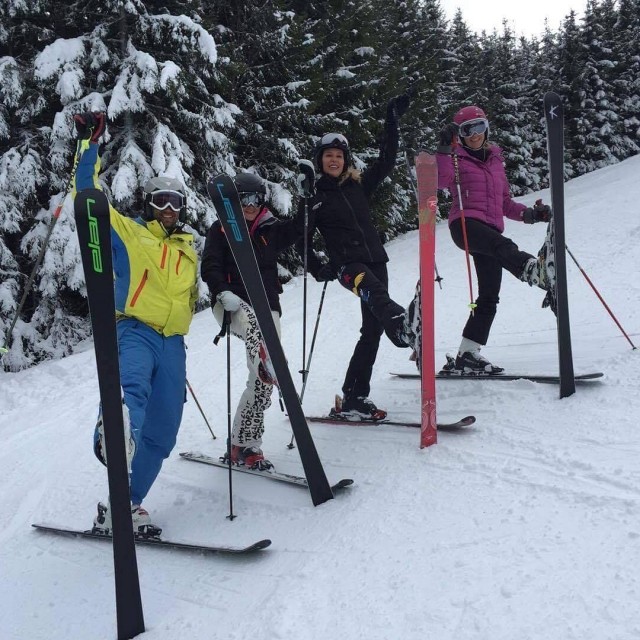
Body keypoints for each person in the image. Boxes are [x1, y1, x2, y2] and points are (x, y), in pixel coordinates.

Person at [72, 112, 199, 535]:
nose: (168, 209)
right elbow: (88, 198)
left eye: (175, 202)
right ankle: (109, 433)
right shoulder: (129, 233)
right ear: (148, 204)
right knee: (133, 400)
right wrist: (87, 146)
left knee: (162, 433)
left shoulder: (188, 249)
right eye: (160, 201)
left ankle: (126, 503)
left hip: (173, 343)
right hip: (135, 331)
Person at [298, 93, 418, 419]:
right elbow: (301, 240)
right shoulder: (314, 197)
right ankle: (403, 327)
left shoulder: (358, 186)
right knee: (377, 296)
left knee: (372, 330)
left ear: (346, 159)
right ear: (320, 160)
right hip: (348, 267)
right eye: (328, 156)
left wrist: (392, 119)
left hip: (376, 259)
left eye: (339, 155)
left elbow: (387, 160)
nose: (334, 160)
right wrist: (317, 268)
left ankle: (354, 397)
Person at [436, 105, 553, 375]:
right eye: (468, 130)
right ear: (460, 134)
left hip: (489, 230)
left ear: (486, 129)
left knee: (489, 295)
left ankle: (467, 353)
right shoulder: (455, 158)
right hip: (465, 224)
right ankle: (532, 270)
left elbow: (504, 203)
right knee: (504, 247)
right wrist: (443, 148)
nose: (475, 135)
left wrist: (531, 215)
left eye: (479, 127)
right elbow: (440, 182)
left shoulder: (495, 161)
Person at [201, 172, 305, 470]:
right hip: (232, 304)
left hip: (266, 305)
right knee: (253, 327)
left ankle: (244, 443)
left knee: (260, 382)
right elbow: (210, 264)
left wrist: (306, 197)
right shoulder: (220, 229)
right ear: (233, 202)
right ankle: (269, 361)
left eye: (256, 199)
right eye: (243, 199)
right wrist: (221, 290)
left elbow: (300, 227)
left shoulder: (270, 229)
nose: (250, 205)